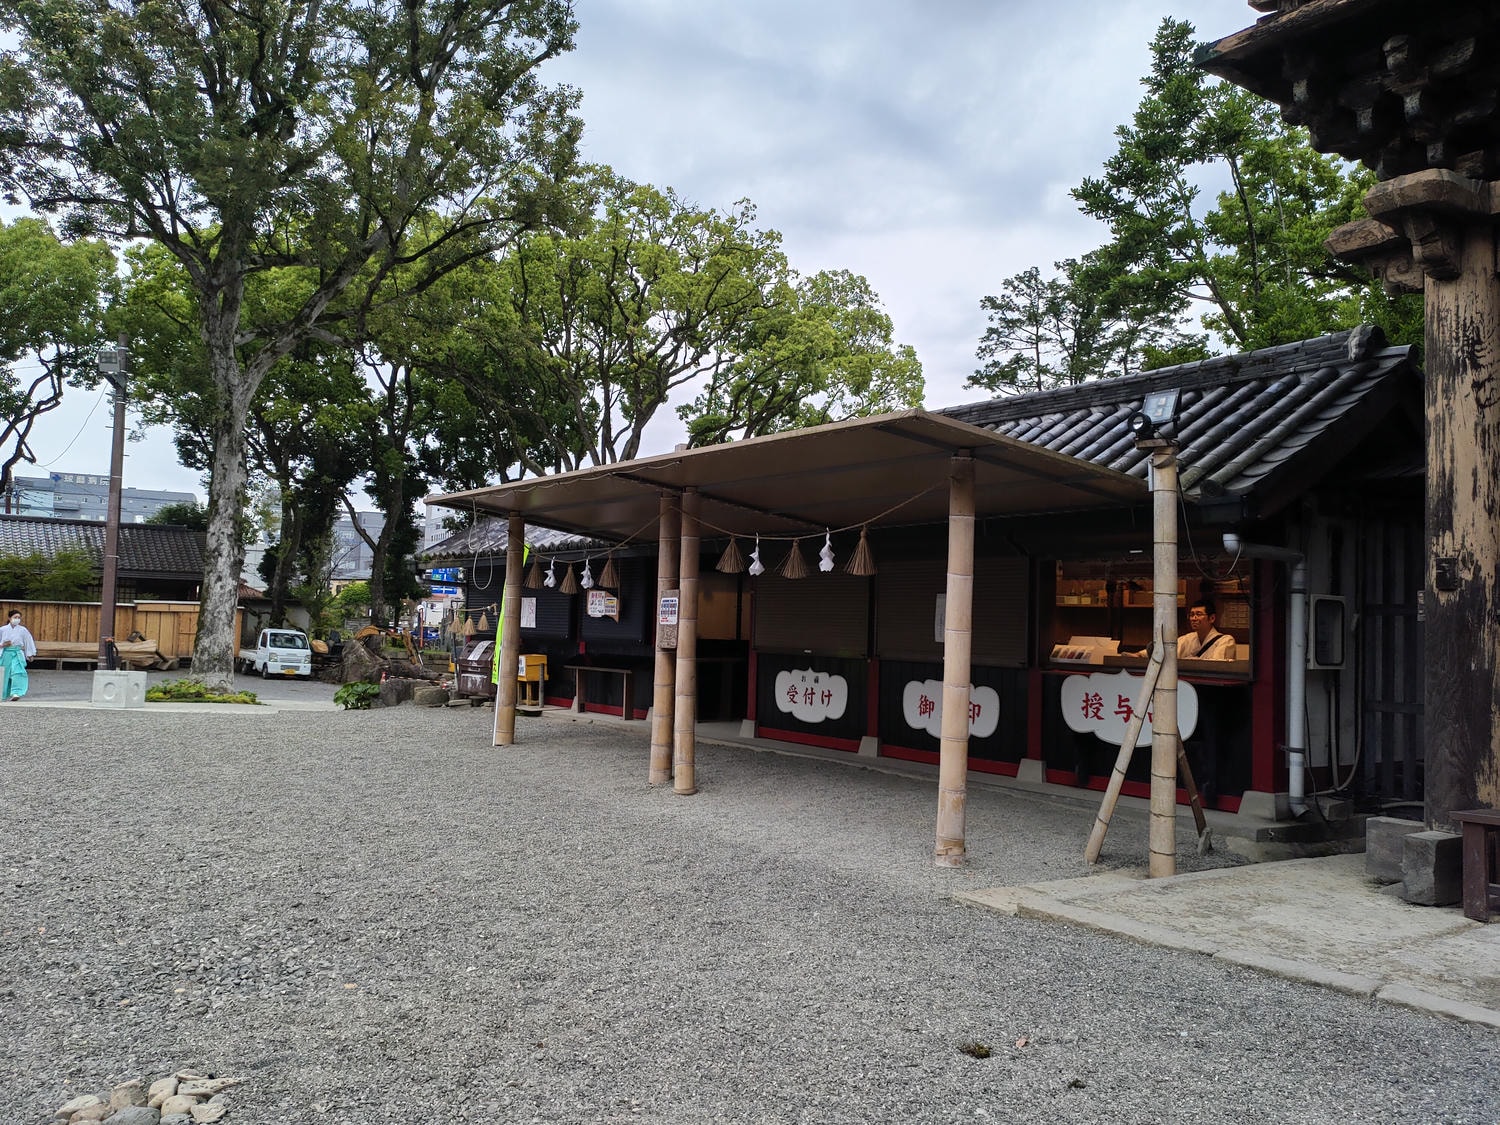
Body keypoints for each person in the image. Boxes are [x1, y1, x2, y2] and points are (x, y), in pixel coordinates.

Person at [0, 608, 38, 701]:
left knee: (18, 672)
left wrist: (30, 654)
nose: (17, 619)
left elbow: (28, 641)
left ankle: (16, 692)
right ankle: (2, 694)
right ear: (9, 618)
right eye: (15, 617)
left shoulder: (23, 630)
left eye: (19, 617)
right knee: (5, 674)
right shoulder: (2, 630)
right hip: (6, 653)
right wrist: (3, 645)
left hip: (17, 653)